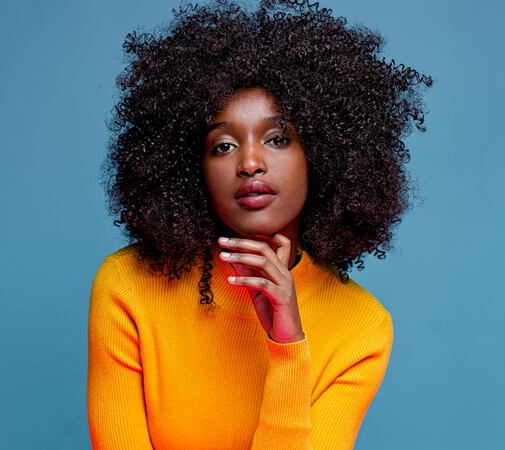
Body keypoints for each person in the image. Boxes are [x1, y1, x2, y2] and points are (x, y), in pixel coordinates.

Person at [87, 0, 433, 448]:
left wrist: (288, 346)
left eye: (277, 139)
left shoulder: (361, 327)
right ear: (191, 167)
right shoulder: (129, 285)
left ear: (323, 155)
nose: (250, 163)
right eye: (223, 145)